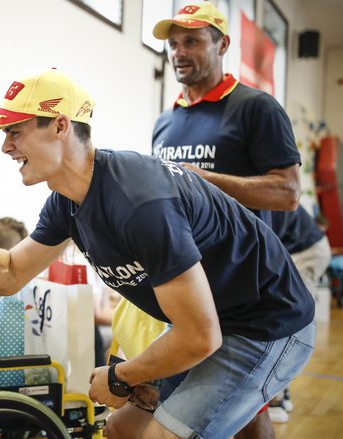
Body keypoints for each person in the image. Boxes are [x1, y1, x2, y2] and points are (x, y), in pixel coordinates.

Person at [0, 67, 315, 439]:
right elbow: (8, 275)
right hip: (213, 320)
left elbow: (200, 336)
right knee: (120, 430)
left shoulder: (138, 202)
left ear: (59, 126)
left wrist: (121, 375)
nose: (6, 146)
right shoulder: (65, 202)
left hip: (267, 324)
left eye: (15, 131)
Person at [150, 3, 302, 436]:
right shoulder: (166, 122)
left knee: (246, 403)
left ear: (223, 44)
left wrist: (203, 179)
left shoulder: (256, 108)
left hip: (245, 287)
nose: (180, 51)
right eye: (173, 43)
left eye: (192, 41)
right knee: (238, 408)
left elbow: (287, 194)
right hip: (187, 285)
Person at [267, 205, 332, 423]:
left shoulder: (261, 193)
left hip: (306, 253)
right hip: (308, 250)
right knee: (285, 321)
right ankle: (281, 395)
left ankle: (277, 397)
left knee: (286, 325)